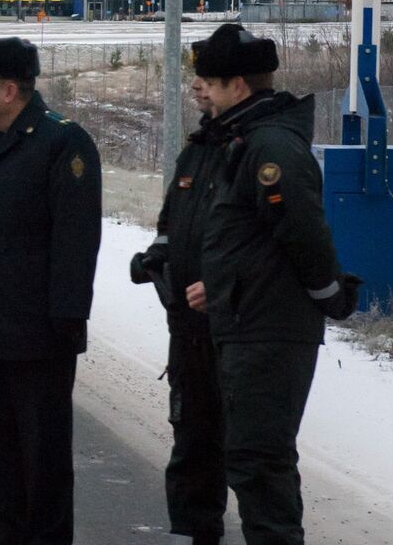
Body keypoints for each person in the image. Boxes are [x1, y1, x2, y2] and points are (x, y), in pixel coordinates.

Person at [188, 23, 358, 545]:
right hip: (247, 320)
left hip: (269, 329)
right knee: (252, 459)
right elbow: (249, 239)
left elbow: (302, 230)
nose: (204, 96)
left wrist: (328, 292)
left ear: (237, 86)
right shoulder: (242, 138)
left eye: (210, 86)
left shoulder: (270, 146)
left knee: (261, 463)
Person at [0, 37, 102, 545]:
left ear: (11, 90)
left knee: (44, 460)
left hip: (39, 333)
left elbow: (77, 240)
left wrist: (67, 316)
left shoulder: (63, 143)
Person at [130, 76, 227, 545]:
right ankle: (190, 532)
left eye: (207, 82)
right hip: (187, 326)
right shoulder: (196, 151)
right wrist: (158, 254)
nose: (194, 88)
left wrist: (224, 284)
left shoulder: (257, 150)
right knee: (190, 439)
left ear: (238, 84)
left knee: (248, 452)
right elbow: (172, 222)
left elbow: (278, 242)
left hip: (239, 330)